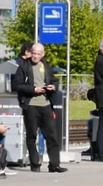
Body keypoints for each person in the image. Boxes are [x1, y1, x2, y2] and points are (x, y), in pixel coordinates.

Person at [13, 43, 67, 173]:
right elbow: (16, 85)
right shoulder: (23, 67)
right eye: (34, 53)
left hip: (45, 104)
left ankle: (54, 165)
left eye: (38, 54)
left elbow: (53, 81)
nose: (35, 56)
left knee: (52, 136)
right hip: (31, 105)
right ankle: (35, 164)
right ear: (30, 53)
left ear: (43, 54)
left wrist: (53, 87)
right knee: (31, 136)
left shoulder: (46, 66)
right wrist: (32, 89)